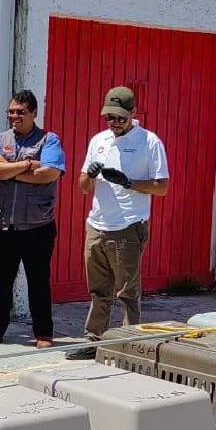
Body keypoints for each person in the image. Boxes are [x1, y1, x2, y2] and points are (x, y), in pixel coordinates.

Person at [66, 86, 169, 360]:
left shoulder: (149, 142)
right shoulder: (98, 141)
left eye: (120, 118)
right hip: (97, 225)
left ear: (133, 113)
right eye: (109, 118)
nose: (114, 124)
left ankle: (129, 345)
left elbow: (162, 187)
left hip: (128, 226)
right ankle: (93, 339)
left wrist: (129, 183)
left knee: (127, 291)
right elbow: (83, 187)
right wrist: (89, 174)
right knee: (99, 290)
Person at [0, 89, 66, 349]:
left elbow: (49, 174)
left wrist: (9, 170)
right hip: (2, 225)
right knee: (1, 282)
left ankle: (43, 334)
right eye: (11, 111)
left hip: (37, 227)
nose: (14, 116)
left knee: (38, 281)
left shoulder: (49, 140)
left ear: (34, 113)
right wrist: (28, 165)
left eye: (20, 112)